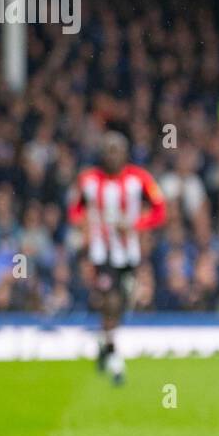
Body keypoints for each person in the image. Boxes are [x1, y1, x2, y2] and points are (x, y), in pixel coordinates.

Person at [68, 131, 166, 386]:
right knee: (110, 300)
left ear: (125, 153)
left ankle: (104, 342)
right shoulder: (88, 179)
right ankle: (114, 359)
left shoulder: (140, 179)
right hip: (101, 253)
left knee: (123, 301)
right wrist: (82, 226)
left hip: (129, 254)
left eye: (116, 149)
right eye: (107, 149)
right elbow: (75, 209)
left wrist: (136, 224)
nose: (111, 154)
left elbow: (160, 210)